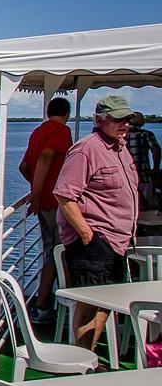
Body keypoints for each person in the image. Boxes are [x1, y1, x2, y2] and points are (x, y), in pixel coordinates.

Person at [53, 95, 139, 351]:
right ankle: (81, 363)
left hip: (119, 241)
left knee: (106, 304)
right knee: (90, 304)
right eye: (117, 119)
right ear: (100, 120)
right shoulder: (87, 148)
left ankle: (89, 359)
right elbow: (64, 194)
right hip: (96, 242)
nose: (123, 124)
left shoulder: (119, 147)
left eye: (126, 119)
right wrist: (87, 234)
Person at [18, 97, 72, 323]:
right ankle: (67, 305)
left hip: (43, 204)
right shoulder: (61, 131)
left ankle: (42, 305)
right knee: (64, 253)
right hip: (56, 203)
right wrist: (39, 194)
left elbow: (24, 167)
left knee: (51, 252)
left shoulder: (37, 132)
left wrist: (35, 190)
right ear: (67, 113)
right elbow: (46, 157)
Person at [126, 112, 160, 210]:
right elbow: (156, 150)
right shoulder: (146, 134)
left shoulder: (120, 135)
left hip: (126, 175)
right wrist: (156, 168)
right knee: (150, 204)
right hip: (143, 173)